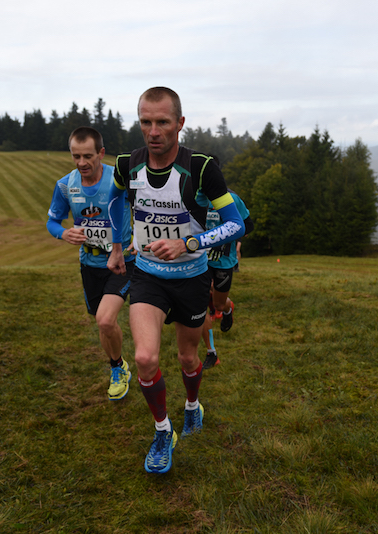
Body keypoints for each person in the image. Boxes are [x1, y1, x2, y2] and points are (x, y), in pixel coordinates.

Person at [106, 87, 245, 474]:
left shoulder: (201, 168)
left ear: (179, 124)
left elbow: (235, 224)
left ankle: (191, 404)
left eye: (162, 122)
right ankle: (163, 431)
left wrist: (190, 243)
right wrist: (118, 246)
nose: (153, 131)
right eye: (146, 122)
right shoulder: (126, 164)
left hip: (192, 279)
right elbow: (115, 200)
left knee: (187, 357)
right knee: (146, 358)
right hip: (148, 276)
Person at [47, 126, 135, 401]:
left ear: (101, 153)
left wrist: (140, 238)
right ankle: (118, 365)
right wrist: (64, 233)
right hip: (90, 263)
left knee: (105, 319)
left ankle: (118, 371)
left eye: (88, 156)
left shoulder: (119, 179)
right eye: (76, 156)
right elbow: (52, 221)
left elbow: (145, 208)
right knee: (102, 323)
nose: (82, 163)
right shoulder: (65, 185)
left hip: (123, 261)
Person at [201, 188, 253, 369]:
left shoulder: (230, 198)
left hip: (224, 261)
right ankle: (211, 352)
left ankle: (228, 308)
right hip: (200, 260)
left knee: (218, 305)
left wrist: (223, 239)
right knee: (200, 304)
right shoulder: (192, 195)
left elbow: (248, 227)